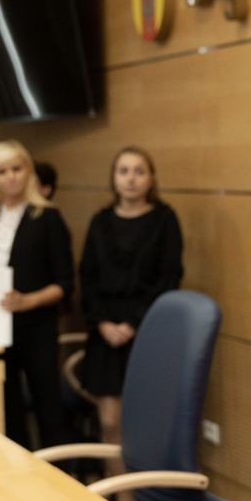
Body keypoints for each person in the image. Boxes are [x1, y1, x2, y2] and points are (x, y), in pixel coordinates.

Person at [78, 146, 183, 479]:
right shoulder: (100, 221)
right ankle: (120, 496)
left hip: (148, 328)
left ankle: (148, 495)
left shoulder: (164, 220)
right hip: (104, 330)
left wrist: (134, 324)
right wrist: (102, 323)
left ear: (151, 178)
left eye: (139, 171)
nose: (131, 179)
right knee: (110, 421)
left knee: (144, 421)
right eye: (123, 171)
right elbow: (87, 277)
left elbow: (169, 277)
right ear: (113, 178)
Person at [0, 140, 72, 449]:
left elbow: (65, 283)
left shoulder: (47, 217)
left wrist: (28, 301)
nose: (11, 177)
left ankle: (59, 474)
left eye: (17, 168)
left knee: (48, 409)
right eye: (2, 171)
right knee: (6, 410)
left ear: (28, 171)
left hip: (36, 326)